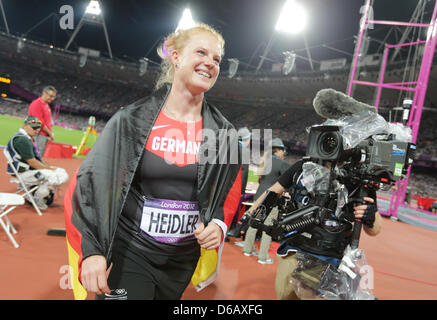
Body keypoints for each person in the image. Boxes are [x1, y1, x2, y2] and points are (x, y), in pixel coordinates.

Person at [64, 23, 242, 300]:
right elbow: (90, 183)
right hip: (131, 252)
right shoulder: (131, 121)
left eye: (216, 59)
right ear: (176, 56)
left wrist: (218, 224)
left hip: (181, 260)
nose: (210, 63)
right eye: (201, 52)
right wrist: (93, 250)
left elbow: (229, 188)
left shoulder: (224, 134)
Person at [243, 158, 382, 299]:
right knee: (284, 295)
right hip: (292, 252)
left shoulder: (358, 177)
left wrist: (371, 217)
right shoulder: (302, 166)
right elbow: (273, 190)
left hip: (329, 260)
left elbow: (374, 230)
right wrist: (250, 214)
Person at [242, 138, 290, 264]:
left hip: (259, 196)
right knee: (268, 227)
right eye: (283, 150)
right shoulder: (282, 164)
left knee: (254, 223)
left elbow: (260, 180)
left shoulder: (264, 162)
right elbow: (286, 184)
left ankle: (247, 249)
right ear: (278, 150)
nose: (283, 153)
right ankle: (262, 257)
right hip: (272, 199)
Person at [6, 116, 69, 210]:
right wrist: (49, 169)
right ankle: (37, 198)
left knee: (60, 172)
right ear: (25, 125)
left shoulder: (24, 137)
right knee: (58, 176)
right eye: (33, 127)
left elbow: (34, 161)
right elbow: (32, 162)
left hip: (26, 170)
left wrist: (48, 168)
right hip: (24, 173)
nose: (36, 130)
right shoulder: (23, 140)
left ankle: (34, 193)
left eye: (38, 128)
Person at [227, 127, 251, 239]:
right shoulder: (245, 151)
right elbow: (244, 171)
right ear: (246, 139)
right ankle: (228, 230)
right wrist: (242, 190)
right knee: (232, 208)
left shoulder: (230, 147)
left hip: (226, 183)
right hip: (236, 185)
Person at [27, 86, 57, 156]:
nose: (52, 99)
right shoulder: (37, 104)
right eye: (50, 96)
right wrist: (50, 134)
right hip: (37, 134)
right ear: (44, 93)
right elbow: (39, 123)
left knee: (38, 156)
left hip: (43, 135)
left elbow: (47, 122)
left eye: (54, 97)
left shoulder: (46, 105)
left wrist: (49, 134)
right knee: (35, 156)